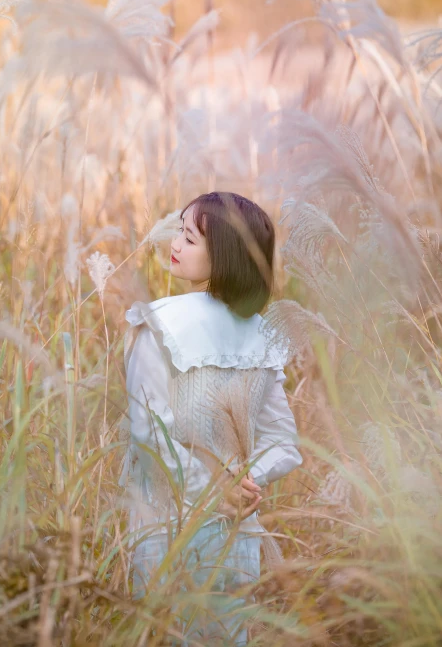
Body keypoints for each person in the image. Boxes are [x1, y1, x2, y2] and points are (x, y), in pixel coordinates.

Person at [118, 191, 303, 645]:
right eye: (179, 232)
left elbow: (149, 431)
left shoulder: (158, 323)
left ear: (223, 255)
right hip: (234, 531)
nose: (175, 245)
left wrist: (212, 488)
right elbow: (284, 443)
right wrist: (239, 481)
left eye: (189, 237)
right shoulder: (263, 334)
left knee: (162, 634)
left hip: (166, 523)